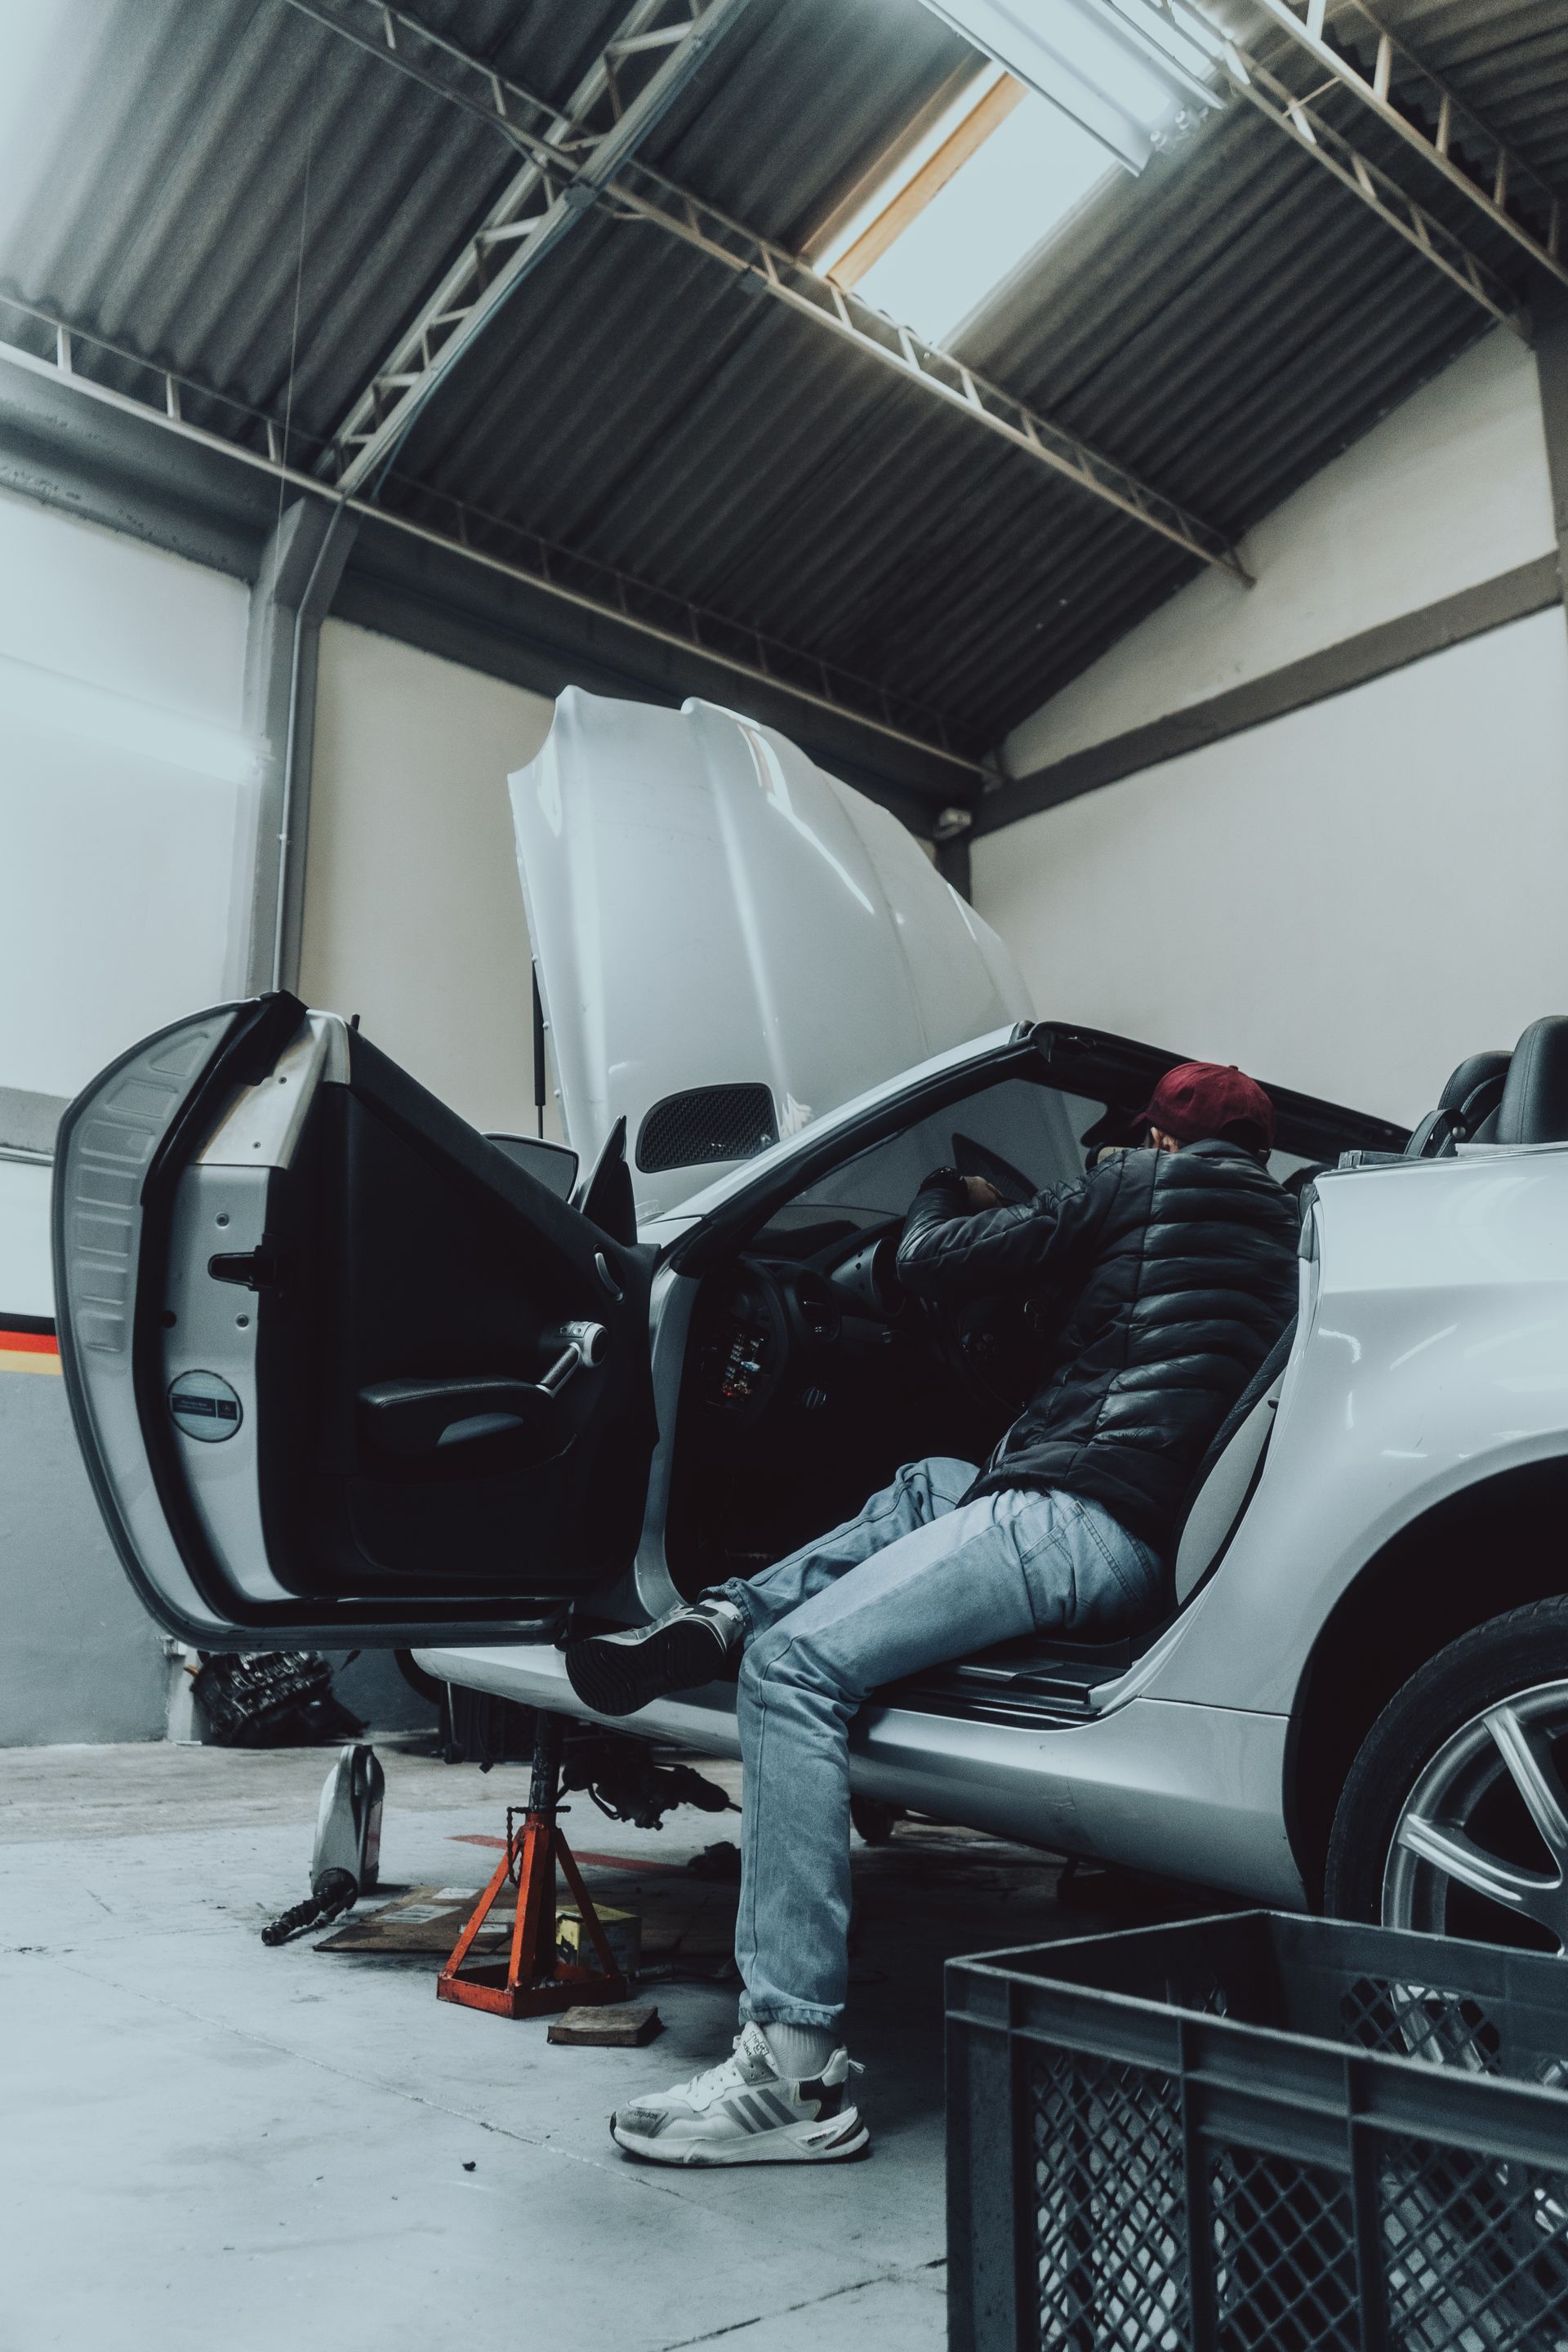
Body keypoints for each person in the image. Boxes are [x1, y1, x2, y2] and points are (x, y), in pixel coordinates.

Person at [567, 1060, 1299, 2166]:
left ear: (1155, 1141)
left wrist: (935, 1199)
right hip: (1127, 1521)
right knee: (929, 1476)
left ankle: (790, 2072)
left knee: (794, 1678)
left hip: (1071, 1514)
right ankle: (721, 1611)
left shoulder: (1139, 1190)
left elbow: (936, 1263)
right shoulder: (1290, 1235)